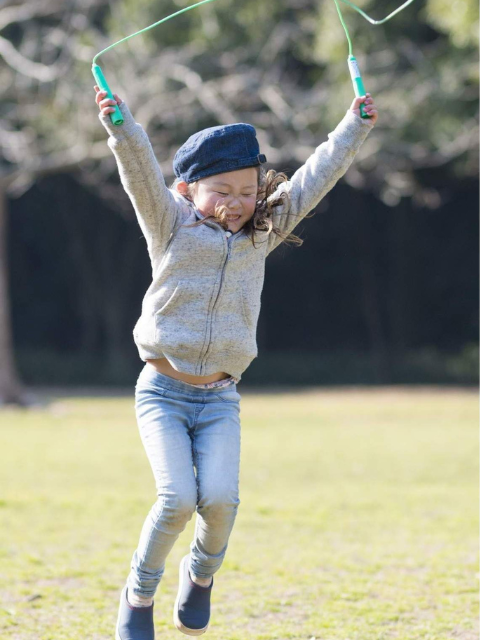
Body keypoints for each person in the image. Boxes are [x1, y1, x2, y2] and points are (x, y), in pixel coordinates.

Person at [95, 84, 378, 640]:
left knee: (221, 501)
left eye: (247, 190)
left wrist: (355, 124)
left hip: (219, 397)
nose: (236, 201)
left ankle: (200, 577)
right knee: (177, 499)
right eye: (220, 190)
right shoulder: (170, 224)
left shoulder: (262, 234)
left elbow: (316, 177)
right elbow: (140, 175)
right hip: (163, 391)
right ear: (187, 191)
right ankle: (139, 591)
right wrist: (122, 126)